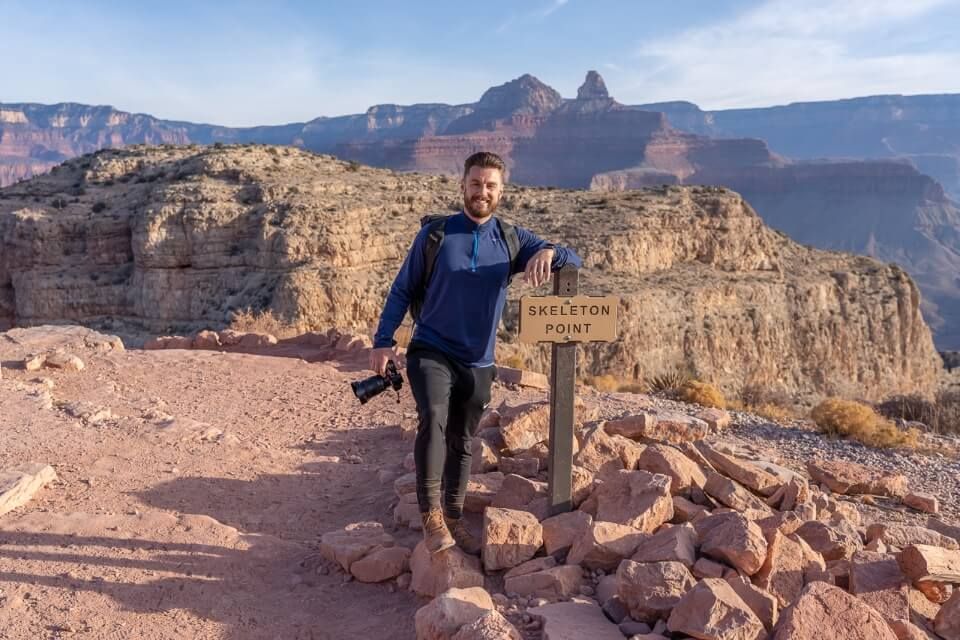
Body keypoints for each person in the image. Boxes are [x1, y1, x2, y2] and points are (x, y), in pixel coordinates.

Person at [369, 151, 582, 554]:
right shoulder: (436, 235)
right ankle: (431, 515)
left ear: (501, 191)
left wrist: (549, 251)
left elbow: (576, 257)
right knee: (433, 417)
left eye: (490, 186)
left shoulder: (512, 239)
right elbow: (401, 289)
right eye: (475, 183)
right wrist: (383, 341)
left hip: (479, 360)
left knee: (462, 439)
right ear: (463, 185)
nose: (482, 192)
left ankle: (453, 515)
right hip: (431, 347)